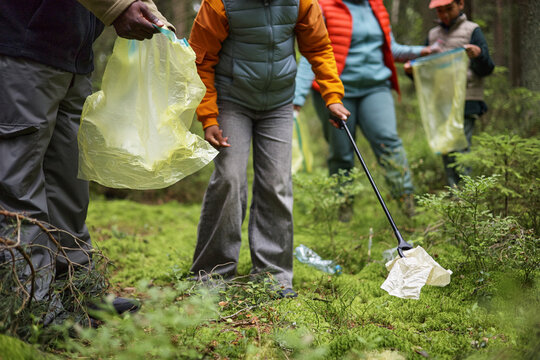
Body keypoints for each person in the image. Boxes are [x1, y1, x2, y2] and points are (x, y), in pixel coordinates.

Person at [0, 0, 173, 324]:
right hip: (22, 44)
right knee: (20, 187)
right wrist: (117, 7)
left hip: (73, 54)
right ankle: (32, 305)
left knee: (69, 184)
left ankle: (76, 292)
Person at [188, 0, 350, 298]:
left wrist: (333, 96)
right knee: (230, 178)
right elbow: (200, 59)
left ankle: (273, 276)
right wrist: (209, 116)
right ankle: (211, 275)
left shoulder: (301, 2)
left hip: (278, 104)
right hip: (232, 101)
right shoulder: (219, 5)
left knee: (277, 183)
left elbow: (318, 48)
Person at [294, 0, 433, 220]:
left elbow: (391, 47)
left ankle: (407, 206)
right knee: (341, 153)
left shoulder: (375, 7)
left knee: (389, 142)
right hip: (337, 93)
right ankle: (344, 208)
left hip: (375, 88)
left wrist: (423, 51)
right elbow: (313, 52)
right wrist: (296, 99)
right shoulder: (324, 6)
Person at [409, 0, 494, 187]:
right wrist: (412, 71)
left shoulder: (472, 30)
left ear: (460, 4)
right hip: (441, 103)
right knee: (446, 149)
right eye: (440, 11)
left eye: (449, 9)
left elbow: (487, 68)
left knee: (462, 151)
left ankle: (468, 197)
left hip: (466, 101)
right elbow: (427, 72)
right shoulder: (433, 35)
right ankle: (454, 196)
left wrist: (479, 54)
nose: (445, 15)